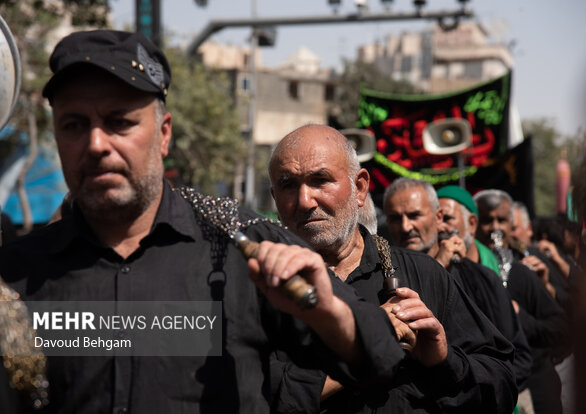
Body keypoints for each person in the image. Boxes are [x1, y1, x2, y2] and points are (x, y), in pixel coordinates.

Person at [0, 30, 407, 413]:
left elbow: (382, 360)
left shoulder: (245, 247)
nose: (96, 144)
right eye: (74, 125)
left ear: (163, 134)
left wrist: (326, 311)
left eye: (120, 122)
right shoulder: (15, 275)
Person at [268, 124, 517, 413]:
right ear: (274, 199)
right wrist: (371, 346)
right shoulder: (255, 288)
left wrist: (443, 360)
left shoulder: (424, 275)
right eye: (288, 185)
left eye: (321, 180)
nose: (304, 201)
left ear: (359, 188)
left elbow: (501, 383)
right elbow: (233, 393)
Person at [383, 179, 532, 395]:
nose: (406, 227)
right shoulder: (383, 278)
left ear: (438, 217)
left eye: (414, 215)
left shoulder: (479, 279)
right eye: (396, 218)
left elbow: (514, 358)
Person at [474, 189, 570, 414]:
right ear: (473, 224)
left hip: (536, 385)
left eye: (502, 220)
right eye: (487, 220)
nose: (495, 227)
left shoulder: (527, 267)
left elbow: (561, 328)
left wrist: (520, 317)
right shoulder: (468, 273)